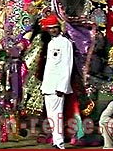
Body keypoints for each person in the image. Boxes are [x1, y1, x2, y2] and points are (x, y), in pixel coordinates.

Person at [40, 14, 74, 149]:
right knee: (51, 115)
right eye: (50, 28)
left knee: (57, 114)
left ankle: (59, 142)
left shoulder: (65, 43)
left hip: (57, 86)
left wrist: (62, 86)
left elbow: (67, 65)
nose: (53, 30)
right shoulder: (51, 43)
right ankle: (56, 140)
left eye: (55, 27)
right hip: (48, 85)